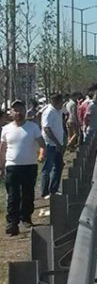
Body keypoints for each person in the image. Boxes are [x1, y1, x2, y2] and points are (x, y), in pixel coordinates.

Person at [1, 100, 46, 236]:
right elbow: (2, 149)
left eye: (21, 109)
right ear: (11, 113)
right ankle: (12, 223)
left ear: (25, 111)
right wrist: (1, 167)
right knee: (13, 195)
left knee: (28, 193)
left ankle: (26, 218)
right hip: (12, 166)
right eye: (15, 110)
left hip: (29, 165)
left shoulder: (33, 127)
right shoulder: (6, 129)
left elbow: (42, 144)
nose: (18, 113)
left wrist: (42, 154)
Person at [40, 93, 65, 199]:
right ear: (55, 101)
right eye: (61, 102)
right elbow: (47, 129)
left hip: (57, 144)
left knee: (59, 166)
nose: (62, 104)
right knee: (47, 168)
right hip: (50, 144)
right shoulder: (49, 112)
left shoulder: (58, 111)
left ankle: (54, 189)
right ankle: (45, 192)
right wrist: (57, 142)